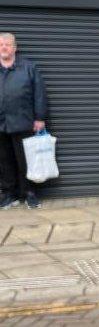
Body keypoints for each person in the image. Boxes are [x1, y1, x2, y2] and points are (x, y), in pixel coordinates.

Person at [0, 32, 48, 210]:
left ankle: (29, 193)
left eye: (7, 44)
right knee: (4, 161)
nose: (3, 47)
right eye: (0, 44)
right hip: (1, 124)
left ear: (14, 48)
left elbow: (39, 94)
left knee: (26, 160)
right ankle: (8, 194)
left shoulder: (29, 67)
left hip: (24, 122)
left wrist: (40, 117)